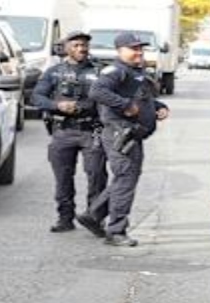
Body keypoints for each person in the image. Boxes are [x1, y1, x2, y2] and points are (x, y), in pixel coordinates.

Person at [81, 32, 170, 247]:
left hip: (134, 133)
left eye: (141, 48)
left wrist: (158, 107)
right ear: (120, 51)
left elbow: (142, 99)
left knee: (125, 177)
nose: (138, 52)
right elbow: (97, 91)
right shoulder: (116, 71)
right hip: (120, 133)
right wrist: (124, 105)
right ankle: (116, 231)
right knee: (126, 179)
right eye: (133, 48)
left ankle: (93, 214)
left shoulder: (136, 72)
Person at [33, 30, 107, 233]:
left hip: (92, 131)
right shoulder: (53, 72)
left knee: (96, 176)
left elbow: (108, 98)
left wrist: (83, 107)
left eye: (84, 45)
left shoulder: (100, 71)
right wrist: (58, 106)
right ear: (66, 48)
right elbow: (37, 98)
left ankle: (95, 218)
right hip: (63, 131)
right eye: (75, 45)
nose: (81, 48)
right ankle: (65, 218)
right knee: (63, 178)